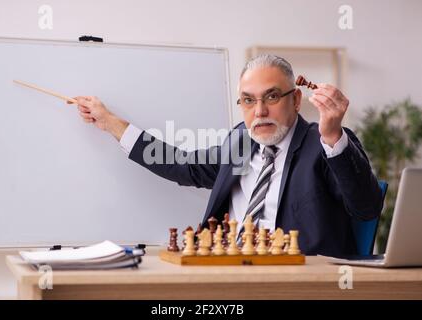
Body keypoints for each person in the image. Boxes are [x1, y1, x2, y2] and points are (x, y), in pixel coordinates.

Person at [72, 54, 383, 256]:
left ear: (297, 99)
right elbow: (183, 165)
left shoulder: (324, 143)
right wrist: (111, 123)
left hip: (296, 284)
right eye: (248, 101)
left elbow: (366, 208)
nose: (259, 111)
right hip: (228, 272)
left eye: (271, 97)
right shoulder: (240, 142)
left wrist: (332, 135)